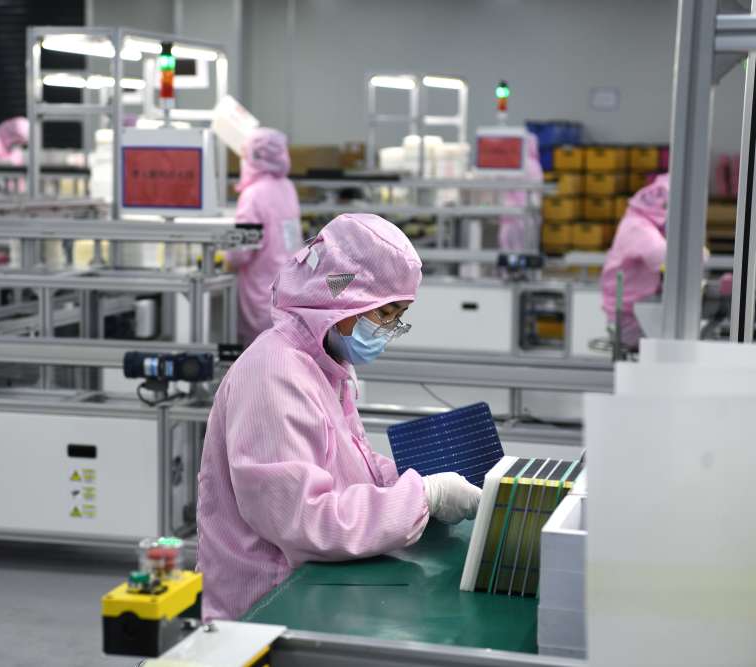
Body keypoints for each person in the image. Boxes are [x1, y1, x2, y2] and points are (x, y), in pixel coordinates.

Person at [196, 213, 482, 621]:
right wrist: (423, 496)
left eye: (398, 316)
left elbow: (351, 463)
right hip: (265, 609)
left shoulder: (325, 365)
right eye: (386, 313)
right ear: (344, 298)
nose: (390, 329)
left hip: (311, 589)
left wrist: (410, 479)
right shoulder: (274, 375)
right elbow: (305, 521)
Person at [226, 127, 302, 345]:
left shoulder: (252, 195)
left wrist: (226, 258)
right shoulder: (287, 187)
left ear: (254, 156)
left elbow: (240, 253)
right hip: (289, 292)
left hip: (261, 297)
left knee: (259, 357)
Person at [600, 173, 670, 348]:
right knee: (675, 343)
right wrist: (697, 252)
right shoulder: (638, 227)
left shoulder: (641, 221)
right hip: (629, 318)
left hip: (637, 311)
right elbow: (663, 256)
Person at [498, 131, 544, 252]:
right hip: (528, 213)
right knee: (526, 248)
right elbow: (538, 189)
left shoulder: (514, 163)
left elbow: (500, 181)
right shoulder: (535, 165)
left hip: (510, 213)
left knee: (507, 247)